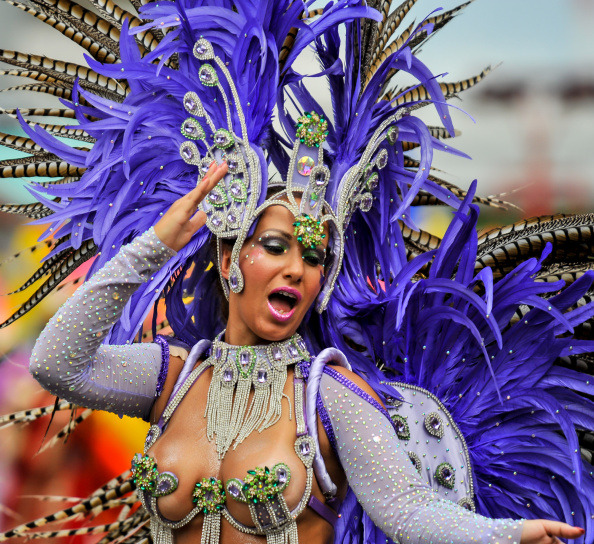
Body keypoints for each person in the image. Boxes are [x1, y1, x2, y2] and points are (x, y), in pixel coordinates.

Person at [1, 1, 594, 544]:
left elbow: (409, 512)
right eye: (277, 246)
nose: (296, 269)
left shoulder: (329, 397)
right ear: (229, 259)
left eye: (313, 257)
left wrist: (505, 536)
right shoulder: (172, 377)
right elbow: (58, 363)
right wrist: (154, 245)